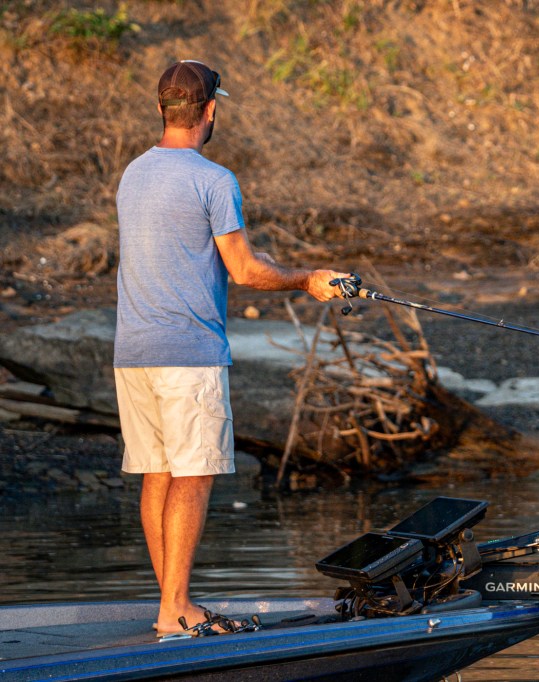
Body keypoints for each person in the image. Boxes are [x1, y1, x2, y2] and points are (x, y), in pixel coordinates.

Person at [113, 60, 349, 635]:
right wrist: (308, 279)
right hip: (188, 354)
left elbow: (196, 255)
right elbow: (244, 271)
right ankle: (175, 610)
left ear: (162, 109)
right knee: (193, 477)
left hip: (134, 351)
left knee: (157, 475)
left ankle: (171, 605)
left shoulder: (133, 173)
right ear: (211, 110)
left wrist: (262, 265)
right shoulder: (214, 180)